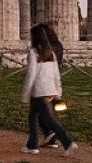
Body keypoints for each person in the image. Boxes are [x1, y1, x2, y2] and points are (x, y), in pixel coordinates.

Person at [21, 24, 78, 156]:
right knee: (33, 117)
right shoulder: (51, 53)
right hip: (50, 90)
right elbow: (56, 74)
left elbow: (31, 73)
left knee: (49, 120)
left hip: (39, 92)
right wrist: (58, 92)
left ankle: (68, 143)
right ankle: (32, 145)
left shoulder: (34, 52)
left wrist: (26, 92)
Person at [39, 22, 65, 148]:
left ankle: (51, 134)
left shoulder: (45, 48)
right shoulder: (59, 45)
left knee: (40, 110)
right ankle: (52, 138)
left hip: (44, 82)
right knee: (51, 109)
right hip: (55, 80)